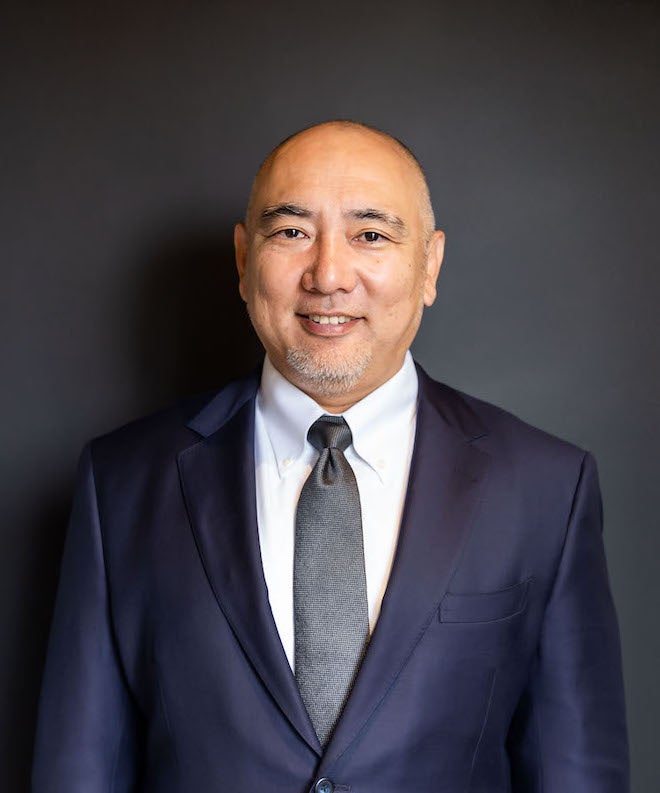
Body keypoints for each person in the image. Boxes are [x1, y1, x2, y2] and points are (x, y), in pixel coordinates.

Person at [32, 120, 629, 793]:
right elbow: (78, 769)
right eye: (292, 232)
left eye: (370, 235)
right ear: (244, 259)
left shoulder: (546, 487)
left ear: (429, 265)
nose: (329, 275)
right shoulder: (120, 483)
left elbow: (578, 772)